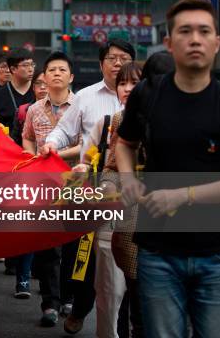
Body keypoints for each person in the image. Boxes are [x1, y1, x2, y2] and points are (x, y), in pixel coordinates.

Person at [116, 0, 220, 338]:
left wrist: (183, 196)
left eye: (203, 31)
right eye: (185, 31)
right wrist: (127, 178)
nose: (195, 39)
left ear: (216, 43)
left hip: (218, 253)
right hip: (157, 252)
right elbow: (125, 143)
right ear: (169, 43)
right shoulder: (147, 97)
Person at [40, 39, 135, 335]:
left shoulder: (148, 101)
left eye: (124, 58)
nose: (117, 63)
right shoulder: (86, 96)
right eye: (112, 58)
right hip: (88, 183)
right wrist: (51, 145)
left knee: (123, 263)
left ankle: (121, 323)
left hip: (130, 192)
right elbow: (64, 130)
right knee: (84, 256)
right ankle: (79, 307)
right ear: (101, 63)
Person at [78, 61, 143, 338]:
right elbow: (85, 163)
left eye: (134, 83)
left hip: (151, 219)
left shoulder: (163, 123)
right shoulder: (108, 123)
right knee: (109, 289)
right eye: (122, 84)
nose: (127, 89)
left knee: (144, 292)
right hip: (111, 214)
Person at [20, 51, 80, 327]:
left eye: (61, 69)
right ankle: (50, 303)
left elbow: (89, 143)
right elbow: (28, 138)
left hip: (77, 180)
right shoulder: (34, 109)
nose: (56, 73)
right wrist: (31, 157)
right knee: (48, 245)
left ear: (71, 76)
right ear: (43, 77)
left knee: (74, 243)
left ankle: (70, 297)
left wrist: (58, 155)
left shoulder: (81, 106)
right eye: (51, 70)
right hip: (43, 181)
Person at [0, 48, 35, 130]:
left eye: (32, 64)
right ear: (13, 69)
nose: (31, 69)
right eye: (25, 65)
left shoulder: (39, 90)